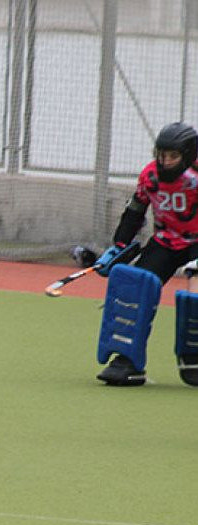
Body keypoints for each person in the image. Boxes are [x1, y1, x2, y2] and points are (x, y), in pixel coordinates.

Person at [93, 122, 198, 387]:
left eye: (173, 156)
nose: (166, 161)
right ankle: (127, 360)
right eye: (162, 154)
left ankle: (194, 359)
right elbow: (135, 212)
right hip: (166, 241)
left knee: (195, 290)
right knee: (135, 287)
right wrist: (119, 246)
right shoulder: (150, 176)